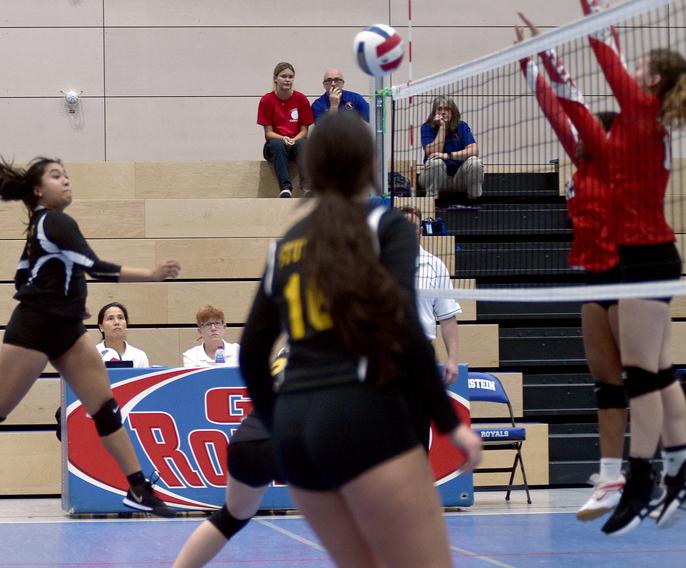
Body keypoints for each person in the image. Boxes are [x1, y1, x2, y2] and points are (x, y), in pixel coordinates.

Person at [239, 112, 482, 568]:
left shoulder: (286, 244)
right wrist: (450, 425)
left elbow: (253, 356)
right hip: (360, 412)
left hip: (295, 432)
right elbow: (405, 330)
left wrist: (282, 422)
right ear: (369, 163)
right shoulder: (384, 224)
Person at [0, 145, 181, 518]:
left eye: (66, 175)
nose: (65, 180)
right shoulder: (54, 221)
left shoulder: (41, 228)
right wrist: (150, 274)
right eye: (55, 175)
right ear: (37, 191)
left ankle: (138, 488)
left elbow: (26, 274)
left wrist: (70, 299)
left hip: (66, 329)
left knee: (105, 409)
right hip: (33, 327)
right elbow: (93, 266)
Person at [581, 1, 686, 535]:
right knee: (657, 371)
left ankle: (639, 480)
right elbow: (611, 56)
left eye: (639, 68)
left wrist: (592, 14)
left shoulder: (640, 110)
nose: (629, 70)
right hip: (649, 253)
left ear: (653, 79)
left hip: (646, 256)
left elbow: (605, 52)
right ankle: (680, 467)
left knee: (639, 374)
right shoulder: (646, 122)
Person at [515, 8, 627, 523]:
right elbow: (553, 110)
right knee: (604, 378)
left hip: (630, 275)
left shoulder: (607, 155)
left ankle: (653, 465)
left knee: (642, 376)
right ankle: (612, 472)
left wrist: (546, 50)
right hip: (592, 277)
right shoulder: (582, 160)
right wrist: (525, 65)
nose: (573, 138)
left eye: (583, 134)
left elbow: (571, 98)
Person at [171, 349, 287, 568]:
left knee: (232, 516)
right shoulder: (348, 342)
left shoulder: (289, 346)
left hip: (248, 440)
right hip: (300, 439)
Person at [399, 206, 462, 385]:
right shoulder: (381, 265)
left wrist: (452, 358)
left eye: (412, 227)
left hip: (422, 353)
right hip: (388, 354)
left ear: (420, 231)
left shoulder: (436, 266)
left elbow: (448, 318)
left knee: (421, 411)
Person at [257, 62, 314, 198]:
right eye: (284, 76)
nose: (287, 79)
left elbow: (304, 131)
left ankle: (307, 186)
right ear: (275, 78)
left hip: (296, 143)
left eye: (290, 76)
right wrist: (283, 138)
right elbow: (268, 133)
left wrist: (293, 139)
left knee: (304, 143)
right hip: (275, 145)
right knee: (278, 144)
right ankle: (285, 189)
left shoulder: (301, 99)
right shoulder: (266, 100)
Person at [417, 95, 484, 199]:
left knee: (475, 162)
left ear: (452, 112)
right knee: (435, 161)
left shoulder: (461, 126)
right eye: (439, 109)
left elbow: (474, 150)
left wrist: (448, 155)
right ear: (434, 112)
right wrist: (442, 127)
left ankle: (474, 201)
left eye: (447, 109)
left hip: (459, 179)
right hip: (434, 179)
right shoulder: (427, 127)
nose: (443, 112)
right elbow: (433, 152)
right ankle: (431, 203)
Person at [96, 301, 150, 366]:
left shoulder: (139, 356)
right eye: (110, 318)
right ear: (101, 327)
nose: (116, 322)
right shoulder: (91, 355)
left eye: (120, 318)